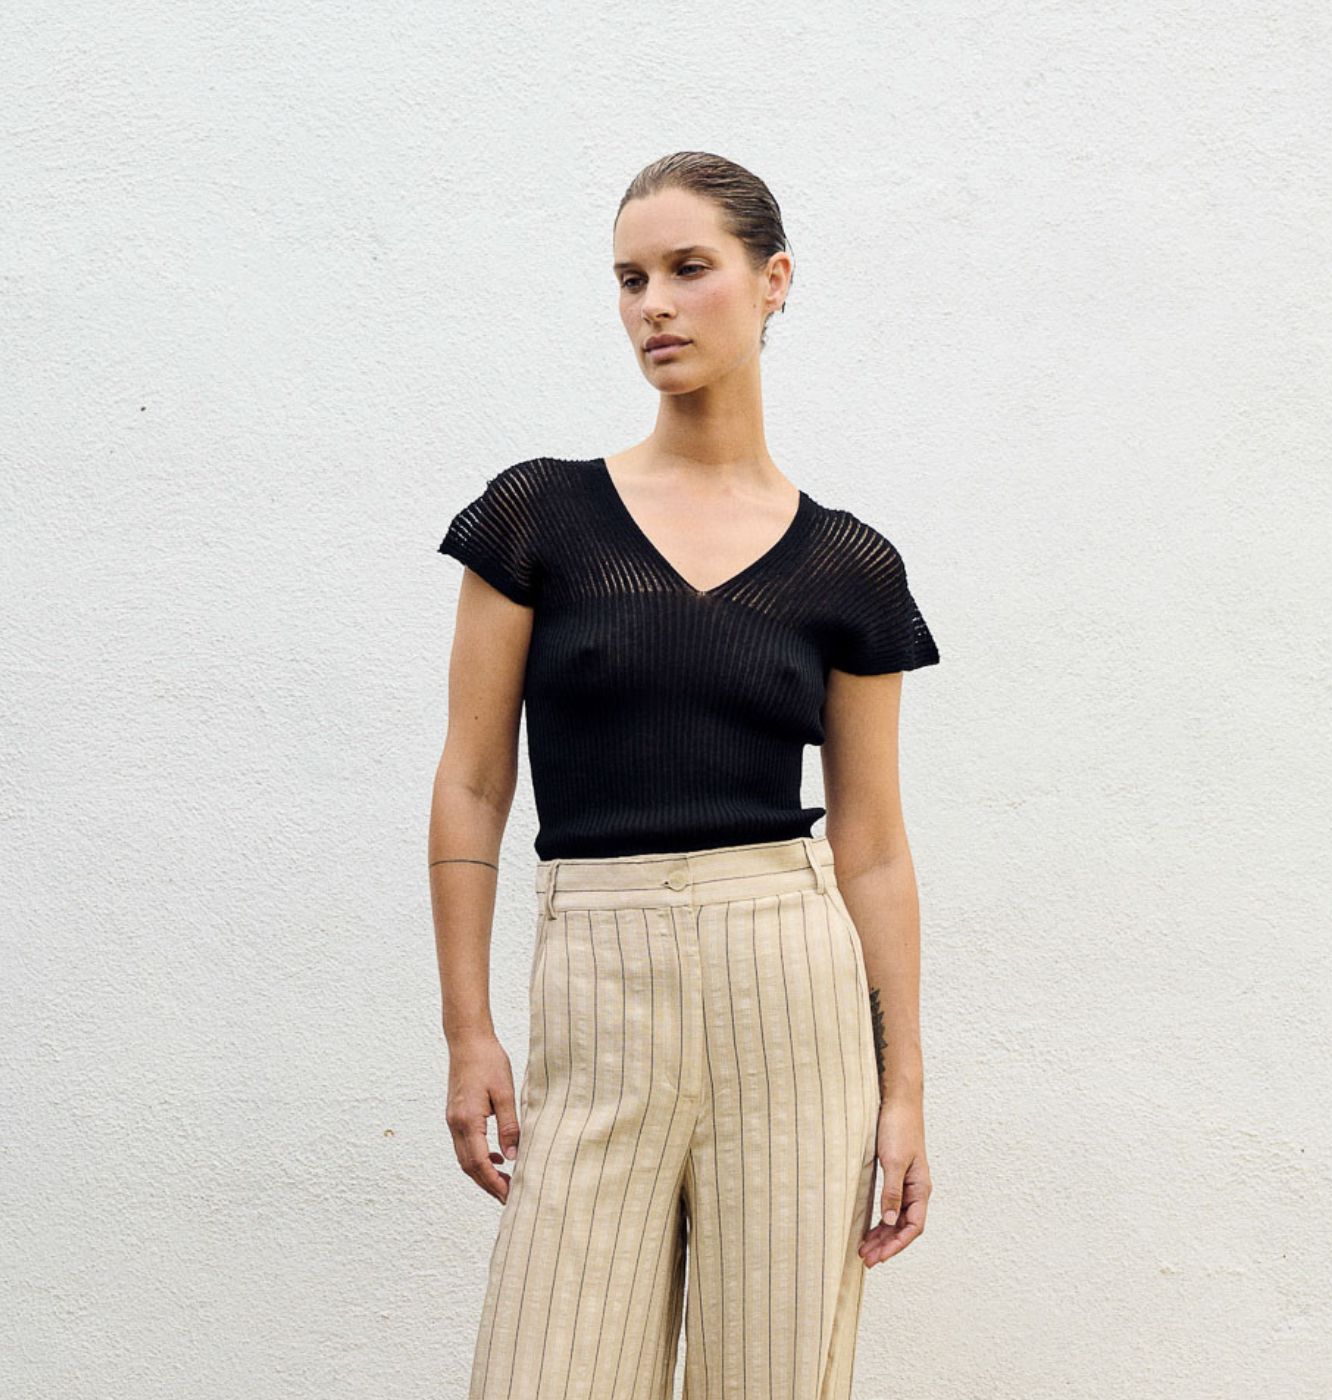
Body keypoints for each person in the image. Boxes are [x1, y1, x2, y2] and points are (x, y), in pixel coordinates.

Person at [429, 151, 940, 1400]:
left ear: (772, 282)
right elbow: (473, 783)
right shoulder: (538, 517)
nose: (652, 303)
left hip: (792, 989)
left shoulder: (847, 566)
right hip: (596, 983)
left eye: (686, 269)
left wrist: (904, 1089)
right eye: (629, 278)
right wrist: (467, 1026)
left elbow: (872, 845)